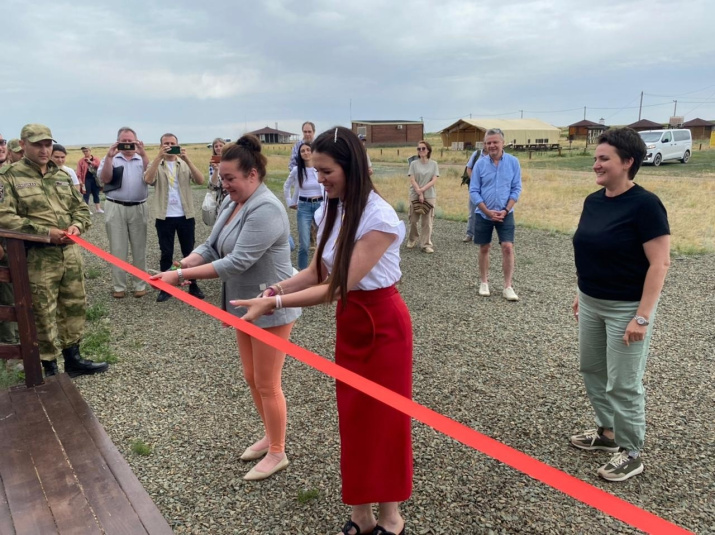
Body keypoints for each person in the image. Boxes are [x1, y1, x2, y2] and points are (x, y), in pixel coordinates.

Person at [234, 126, 412, 535]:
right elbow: (317, 270)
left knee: (385, 419)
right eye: (315, 171)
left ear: (353, 167)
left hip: (383, 324)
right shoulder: (331, 208)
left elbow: (336, 286)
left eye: (327, 171)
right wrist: (275, 288)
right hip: (351, 322)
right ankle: (360, 513)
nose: (319, 180)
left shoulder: (379, 217)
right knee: (353, 418)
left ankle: (391, 515)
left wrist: (274, 304)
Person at [150, 135, 300, 481]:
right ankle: (270, 436)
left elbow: (237, 261)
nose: (224, 184)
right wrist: (181, 266)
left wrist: (181, 275)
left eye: (230, 177)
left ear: (252, 174)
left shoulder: (266, 208)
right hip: (241, 305)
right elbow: (212, 244)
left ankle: (278, 452)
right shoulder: (233, 203)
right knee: (252, 378)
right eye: (221, 177)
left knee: (267, 382)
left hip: (269, 306)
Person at [570, 127, 670, 482]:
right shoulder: (593, 201)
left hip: (627, 308)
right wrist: (581, 292)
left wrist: (641, 318)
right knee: (592, 369)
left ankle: (631, 451)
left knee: (623, 383)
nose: (596, 164)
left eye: (604, 158)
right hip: (591, 301)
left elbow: (660, 264)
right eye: (596, 158)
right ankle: (608, 433)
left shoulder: (645, 205)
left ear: (628, 162)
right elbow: (591, 249)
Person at [0, 124, 108, 377]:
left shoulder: (60, 174)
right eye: (37, 144)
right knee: (41, 310)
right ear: (23, 144)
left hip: (69, 253)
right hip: (37, 257)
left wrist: (77, 226)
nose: (44, 149)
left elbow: (80, 208)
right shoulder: (9, 177)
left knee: (74, 304)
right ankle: (48, 366)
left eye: (48, 144)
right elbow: (4, 217)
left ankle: (73, 358)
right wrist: (45, 233)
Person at [144, 133, 206, 302]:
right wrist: (158, 157)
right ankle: (165, 287)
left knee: (189, 252)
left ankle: (193, 285)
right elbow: (148, 180)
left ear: (178, 145)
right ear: (160, 146)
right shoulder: (156, 163)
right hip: (164, 216)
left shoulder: (183, 164)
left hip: (185, 215)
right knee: (166, 252)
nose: (169, 146)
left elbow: (200, 181)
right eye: (166, 143)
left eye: (172, 143)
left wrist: (188, 160)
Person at [469, 128, 522, 301]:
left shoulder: (513, 162)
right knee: (485, 247)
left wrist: (506, 210)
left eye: (495, 142)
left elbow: (516, 188)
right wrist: (486, 211)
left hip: (505, 213)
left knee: (507, 247)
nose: (492, 146)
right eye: (488, 143)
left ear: (502, 143)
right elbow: (474, 190)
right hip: (484, 214)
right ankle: (484, 282)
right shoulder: (480, 164)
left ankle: (508, 286)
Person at [98, 127, 150, 298]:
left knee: (139, 248)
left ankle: (139, 283)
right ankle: (119, 286)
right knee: (117, 248)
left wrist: (143, 155)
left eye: (130, 141)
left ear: (137, 141)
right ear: (117, 142)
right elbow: (105, 179)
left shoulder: (141, 158)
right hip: (115, 206)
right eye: (124, 141)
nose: (127, 144)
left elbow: (152, 177)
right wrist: (110, 157)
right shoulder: (111, 158)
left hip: (138, 206)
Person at [283, 142, 323, 270]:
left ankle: (323, 271)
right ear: (300, 154)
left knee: (324, 241)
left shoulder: (319, 168)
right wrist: (290, 202)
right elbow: (286, 186)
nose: (306, 152)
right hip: (304, 207)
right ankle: (302, 272)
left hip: (320, 206)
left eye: (308, 150)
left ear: (312, 151)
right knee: (304, 244)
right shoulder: (297, 170)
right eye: (302, 151)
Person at [407, 139, 439, 254]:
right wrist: (419, 192)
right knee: (413, 219)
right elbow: (412, 179)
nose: (421, 150)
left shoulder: (434, 164)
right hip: (415, 194)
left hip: (429, 195)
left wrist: (423, 190)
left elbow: (434, 179)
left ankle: (425, 244)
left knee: (427, 221)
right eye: (419, 148)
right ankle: (412, 239)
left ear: (428, 150)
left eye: (423, 148)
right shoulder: (413, 164)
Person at [463, 147, 487, 242]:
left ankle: (483, 234)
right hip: (475, 189)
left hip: (487, 189)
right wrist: (475, 182)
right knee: (472, 212)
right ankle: (469, 234)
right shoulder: (476, 154)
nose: (487, 144)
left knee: (486, 212)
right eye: (485, 142)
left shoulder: (493, 156)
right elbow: (469, 168)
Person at [76, 146, 103, 214]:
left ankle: (98, 208)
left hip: (95, 179)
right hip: (86, 179)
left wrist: (91, 162)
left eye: (86, 151)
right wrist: (80, 181)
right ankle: (87, 209)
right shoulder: (81, 161)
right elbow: (79, 172)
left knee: (96, 193)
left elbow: (99, 166)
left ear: (90, 151)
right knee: (86, 194)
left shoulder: (95, 159)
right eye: (84, 151)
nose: (85, 152)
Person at [207, 137, 227, 213]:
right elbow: (212, 185)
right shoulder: (213, 163)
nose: (218, 148)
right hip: (220, 195)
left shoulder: (233, 159)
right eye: (216, 146)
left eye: (221, 145)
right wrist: (216, 170)